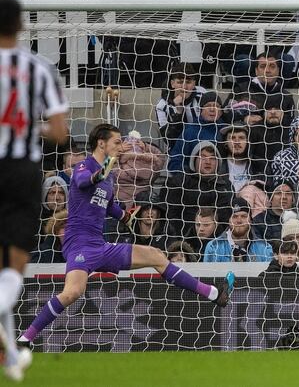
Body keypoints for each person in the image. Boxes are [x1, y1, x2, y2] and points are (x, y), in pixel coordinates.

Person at [18, 124, 234, 350]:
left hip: (99, 245)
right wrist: (106, 166)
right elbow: (83, 181)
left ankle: (214, 294)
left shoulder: (109, 177)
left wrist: (126, 217)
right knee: (72, 292)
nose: (121, 146)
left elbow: (109, 205)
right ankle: (26, 338)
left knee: (156, 255)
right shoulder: (84, 166)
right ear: (101, 143)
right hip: (79, 244)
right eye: (117, 141)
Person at [0, 0, 69, 382]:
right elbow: (59, 133)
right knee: (14, 263)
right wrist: (28, 126)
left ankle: (11, 357)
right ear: (21, 26)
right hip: (22, 170)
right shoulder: (40, 68)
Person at [102, 0, 178, 89]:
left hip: (161, 40)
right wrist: (106, 37)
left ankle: (160, 93)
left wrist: (171, 33)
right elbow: (96, 7)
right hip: (129, 42)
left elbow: (177, 13)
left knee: (161, 47)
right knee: (142, 47)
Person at [165, 141, 234, 238]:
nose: (208, 162)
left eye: (212, 158)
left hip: (219, 239)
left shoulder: (226, 185)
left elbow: (227, 217)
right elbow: (172, 215)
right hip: (185, 238)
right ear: (194, 160)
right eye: (203, 157)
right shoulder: (180, 182)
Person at [167, 91, 228, 172]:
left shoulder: (226, 131)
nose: (212, 109)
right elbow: (175, 161)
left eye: (216, 106)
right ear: (200, 110)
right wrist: (190, 174)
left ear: (220, 111)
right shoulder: (189, 132)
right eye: (208, 106)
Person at [203, 197, 273, 262]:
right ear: (228, 220)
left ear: (250, 220)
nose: (239, 221)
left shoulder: (265, 248)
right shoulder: (213, 247)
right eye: (234, 216)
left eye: (243, 216)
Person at [155, 63, 208, 144]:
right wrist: (178, 113)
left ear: (194, 83)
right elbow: (168, 140)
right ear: (172, 84)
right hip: (177, 147)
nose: (184, 87)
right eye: (180, 82)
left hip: (202, 144)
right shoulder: (162, 106)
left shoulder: (202, 94)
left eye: (188, 82)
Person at [107, 190, 173, 254]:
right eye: (146, 208)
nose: (150, 212)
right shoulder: (125, 234)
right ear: (138, 212)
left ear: (159, 212)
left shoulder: (167, 233)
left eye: (153, 208)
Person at [114, 130, 166, 206]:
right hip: (143, 207)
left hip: (118, 205)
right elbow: (160, 158)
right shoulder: (153, 168)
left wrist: (117, 153)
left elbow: (106, 169)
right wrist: (146, 147)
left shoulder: (119, 168)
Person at [220, 122, 264, 192]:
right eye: (232, 138)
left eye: (241, 138)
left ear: (248, 141)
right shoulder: (218, 167)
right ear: (225, 142)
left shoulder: (260, 165)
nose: (237, 142)